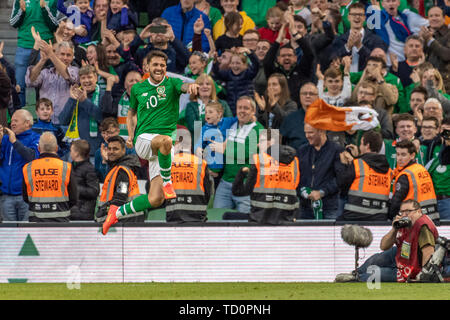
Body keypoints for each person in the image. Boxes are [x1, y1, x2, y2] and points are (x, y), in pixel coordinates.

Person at [101, 50, 200, 235]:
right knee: (166, 141)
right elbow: (131, 113)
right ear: (147, 67)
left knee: (156, 199)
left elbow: (185, 87)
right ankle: (168, 182)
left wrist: (192, 86)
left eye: (162, 65)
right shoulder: (138, 88)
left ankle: (117, 212)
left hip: (163, 149)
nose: (159, 68)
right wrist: (131, 135)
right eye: (155, 64)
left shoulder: (173, 83)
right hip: (145, 140)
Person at [335, 200, 438, 283]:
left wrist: (423, 276)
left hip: (414, 267)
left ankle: (356, 279)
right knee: (376, 258)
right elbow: (383, 246)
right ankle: (354, 274)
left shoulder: (423, 226)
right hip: (404, 256)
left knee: (375, 273)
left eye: (408, 211)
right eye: (402, 212)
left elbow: (428, 253)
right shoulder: (403, 223)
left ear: (419, 211)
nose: (404, 215)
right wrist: (394, 229)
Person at [232, 131, 301, 225]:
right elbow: (295, 186)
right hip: (286, 220)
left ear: (269, 143)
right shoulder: (294, 162)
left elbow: (241, 191)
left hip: (260, 219)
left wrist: (241, 174)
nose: (257, 144)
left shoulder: (259, 161)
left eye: (261, 141)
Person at [212, 96, 264, 217]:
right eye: (239, 107)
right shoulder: (232, 126)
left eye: (246, 108)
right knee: (217, 219)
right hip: (225, 182)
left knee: (244, 221)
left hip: (245, 184)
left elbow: (247, 153)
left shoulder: (258, 129)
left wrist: (224, 149)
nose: (242, 111)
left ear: (253, 111)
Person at [10, 0, 59, 108]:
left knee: (45, 85)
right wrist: (21, 11)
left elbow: (55, 25)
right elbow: (13, 23)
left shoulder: (52, 1)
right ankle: (20, 116)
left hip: (45, 47)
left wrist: (44, 8)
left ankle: (43, 119)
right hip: (24, 46)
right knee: (20, 86)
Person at [336, 130, 392, 221]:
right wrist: (357, 157)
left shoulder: (357, 164)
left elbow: (342, 184)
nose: (359, 146)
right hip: (380, 217)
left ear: (367, 146)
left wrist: (344, 165)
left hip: (354, 215)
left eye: (361, 144)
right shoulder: (388, 170)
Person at [22, 132, 77, 222]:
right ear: (56, 148)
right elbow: (74, 197)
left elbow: (25, 197)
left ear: (39, 148)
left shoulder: (28, 168)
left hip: (36, 220)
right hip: (61, 219)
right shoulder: (66, 167)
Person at [263, 14, 314, 105]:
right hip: (277, 110)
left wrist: (294, 32)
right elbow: (267, 62)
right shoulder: (275, 73)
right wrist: (279, 39)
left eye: (289, 55)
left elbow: (309, 53)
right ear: (278, 59)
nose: (286, 58)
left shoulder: (302, 70)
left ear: (295, 58)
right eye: (283, 56)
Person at [25, 40, 79, 126]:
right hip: (44, 122)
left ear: (73, 57)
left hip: (66, 123)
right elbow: (30, 81)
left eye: (68, 55)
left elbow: (66, 75)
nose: (65, 58)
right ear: (57, 55)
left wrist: (51, 54)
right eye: (62, 54)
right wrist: (42, 60)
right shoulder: (45, 72)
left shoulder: (75, 71)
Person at [297, 123, 344, 220]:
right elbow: (296, 175)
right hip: (305, 208)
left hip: (329, 208)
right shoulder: (302, 150)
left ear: (321, 131)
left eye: (310, 132)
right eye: (305, 132)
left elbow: (341, 178)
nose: (307, 136)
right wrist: (302, 191)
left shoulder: (336, 150)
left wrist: (322, 192)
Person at [0, 110, 40, 221]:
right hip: (6, 196)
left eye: (16, 121)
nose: (12, 123)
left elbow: (32, 157)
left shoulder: (35, 138)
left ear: (27, 123)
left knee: (27, 233)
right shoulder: (5, 139)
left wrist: (15, 142)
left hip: (27, 197)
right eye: (12, 120)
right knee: (9, 235)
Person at [165, 129, 213, 223]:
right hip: (198, 217)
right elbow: (209, 191)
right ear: (190, 143)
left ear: (177, 142)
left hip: (173, 216)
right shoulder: (201, 163)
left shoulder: (167, 164)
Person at [59, 65, 104, 157]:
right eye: (83, 78)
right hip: (76, 152)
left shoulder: (103, 95)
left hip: (96, 151)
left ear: (96, 78)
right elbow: (63, 120)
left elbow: (103, 118)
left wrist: (84, 101)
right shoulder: (75, 96)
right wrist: (71, 99)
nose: (86, 81)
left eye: (89, 77)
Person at [389, 140, 439, 223]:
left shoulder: (405, 175)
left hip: (415, 220)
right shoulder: (422, 169)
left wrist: (391, 217)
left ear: (412, 155)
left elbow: (396, 203)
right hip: (431, 216)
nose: (399, 158)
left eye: (403, 155)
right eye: (397, 154)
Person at [96, 135, 143, 223]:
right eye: (109, 149)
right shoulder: (120, 168)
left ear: (124, 150)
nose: (111, 152)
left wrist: (103, 210)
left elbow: (120, 197)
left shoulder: (123, 171)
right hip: (128, 219)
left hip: (125, 221)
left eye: (115, 149)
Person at [332, 2, 388, 73]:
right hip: (344, 79)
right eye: (354, 14)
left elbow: (378, 61)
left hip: (367, 79)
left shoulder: (375, 39)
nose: (357, 17)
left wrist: (360, 47)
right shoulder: (339, 39)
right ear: (348, 17)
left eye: (360, 15)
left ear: (365, 17)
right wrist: (347, 47)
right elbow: (333, 59)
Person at [194, 100, 237, 189]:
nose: (207, 115)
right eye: (205, 112)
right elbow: (199, 142)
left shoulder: (227, 122)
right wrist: (197, 148)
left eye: (210, 112)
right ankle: (213, 173)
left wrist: (253, 117)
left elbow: (238, 119)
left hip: (227, 161)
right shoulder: (205, 128)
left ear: (219, 114)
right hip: (214, 164)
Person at [184, 73, 232, 143]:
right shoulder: (191, 106)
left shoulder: (223, 104)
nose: (204, 86)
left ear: (212, 87)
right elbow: (193, 127)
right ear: (196, 88)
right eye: (201, 84)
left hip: (221, 144)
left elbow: (229, 123)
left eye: (208, 84)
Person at [212, 47, 259, 116]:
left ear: (245, 65)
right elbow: (217, 73)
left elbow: (256, 65)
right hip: (232, 109)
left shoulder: (248, 74)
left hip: (246, 109)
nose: (235, 66)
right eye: (232, 63)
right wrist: (215, 61)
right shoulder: (228, 74)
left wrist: (249, 53)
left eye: (238, 63)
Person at [279, 82, 318, 150]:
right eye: (304, 93)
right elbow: (280, 143)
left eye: (311, 94)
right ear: (300, 96)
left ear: (318, 97)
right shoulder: (290, 119)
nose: (308, 96)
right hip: (295, 158)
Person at [419, 6, 450, 92]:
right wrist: (422, 41)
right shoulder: (424, 34)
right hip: (425, 83)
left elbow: (447, 55)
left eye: (437, 15)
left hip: (445, 84)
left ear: (444, 18)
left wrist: (430, 40)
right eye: (431, 16)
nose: (434, 18)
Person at [425, 116, 450, 220]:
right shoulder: (433, 145)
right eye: (445, 130)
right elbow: (442, 160)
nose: (447, 134)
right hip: (434, 199)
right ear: (440, 130)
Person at [69, 139, 100, 221]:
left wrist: (74, 189)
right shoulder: (70, 167)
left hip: (84, 215)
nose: (70, 153)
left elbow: (94, 191)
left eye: (71, 150)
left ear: (76, 153)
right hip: (71, 213)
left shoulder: (89, 169)